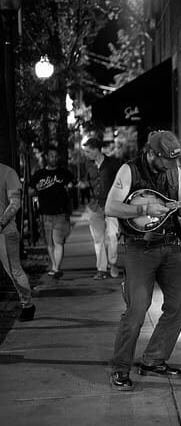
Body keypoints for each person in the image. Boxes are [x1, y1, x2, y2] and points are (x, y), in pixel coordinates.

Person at [105, 130, 181, 391]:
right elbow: (111, 207)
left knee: (179, 305)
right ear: (151, 153)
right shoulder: (129, 171)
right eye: (165, 161)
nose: (169, 167)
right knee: (137, 310)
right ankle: (120, 366)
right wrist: (143, 209)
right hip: (139, 249)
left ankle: (154, 359)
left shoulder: (175, 170)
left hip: (170, 247)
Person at [30, 146, 75, 279]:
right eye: (51, 156)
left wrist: (70, 188)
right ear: (46, 157)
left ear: (58, 157)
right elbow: (30, 191)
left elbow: (74, 186)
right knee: (49, 244)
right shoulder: (39, 175)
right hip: (45, 214)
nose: (53, 159)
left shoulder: (64, 173)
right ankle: (54, 266)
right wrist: (36, 189)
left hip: (61, 213)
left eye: (56, 156)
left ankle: (56, 269)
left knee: (58, 242)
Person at [82, 137, 122, 280]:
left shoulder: (113, 163)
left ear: (96, 150)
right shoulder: (88, 164)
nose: (86, 154)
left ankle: (113, 263)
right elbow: (86, 181)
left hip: (111, 205)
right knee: (98, 239)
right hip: (94, 206)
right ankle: (101, 269)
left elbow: (121, 183)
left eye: (88, 151)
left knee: (112, 236)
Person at [0, 163, 35, 321]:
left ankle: (27, 305)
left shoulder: (8, 173)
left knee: (14, 271)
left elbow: (15, 203)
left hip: (5, 232)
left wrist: (1, 223)